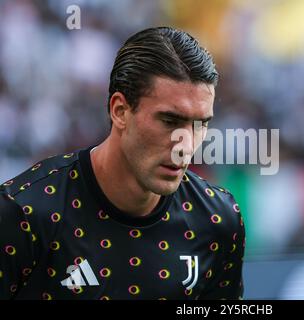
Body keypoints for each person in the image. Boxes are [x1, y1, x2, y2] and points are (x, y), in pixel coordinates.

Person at [0, 27, 245, 300]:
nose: (185, 146)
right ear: (120, 111)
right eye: (169, 121)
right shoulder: (23, 213)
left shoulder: (218, 219)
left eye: (200, 125)